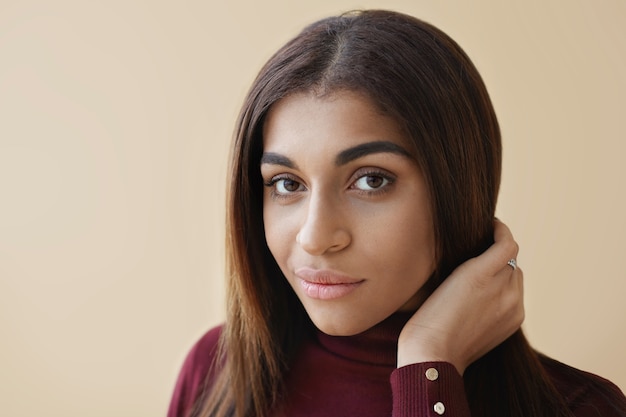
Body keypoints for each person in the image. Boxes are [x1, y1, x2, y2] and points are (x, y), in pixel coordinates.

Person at [168, 9, 626, 417]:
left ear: (459, 187)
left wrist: (429, 367)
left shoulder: (581, 408)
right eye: (288, 184)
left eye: (371, 180)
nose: (315, 236)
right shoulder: (215, 373)